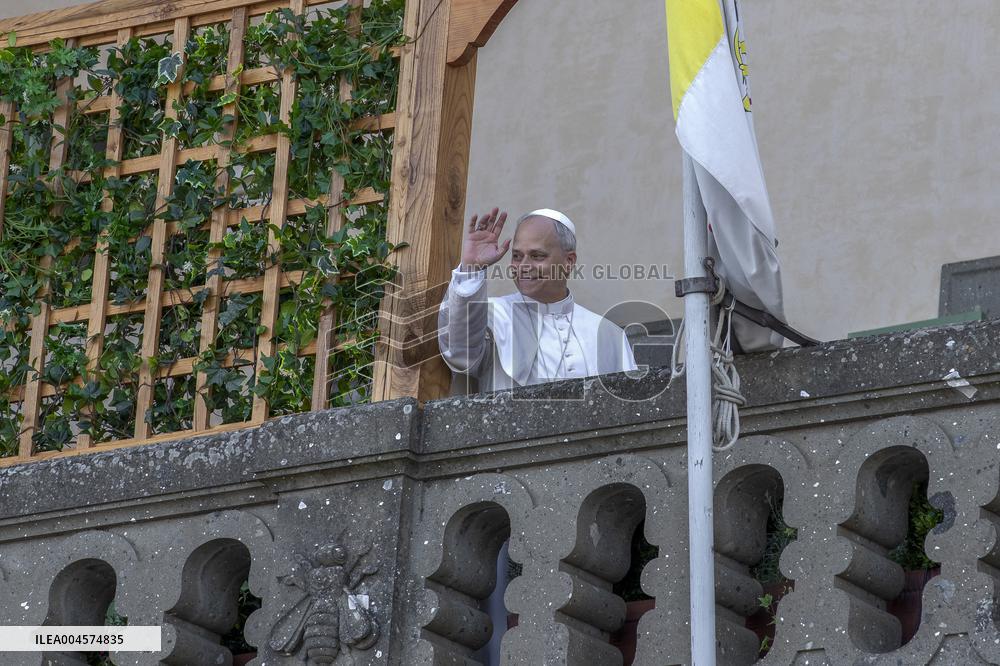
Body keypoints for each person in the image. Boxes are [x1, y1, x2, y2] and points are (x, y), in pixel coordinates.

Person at [438, 207, 638, 392]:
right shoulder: (491, 314)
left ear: (569, 262)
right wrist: (471, 269)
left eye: (537, 256)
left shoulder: (610, 335)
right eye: (517, 256)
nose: (524, 265)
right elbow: (458, 354)